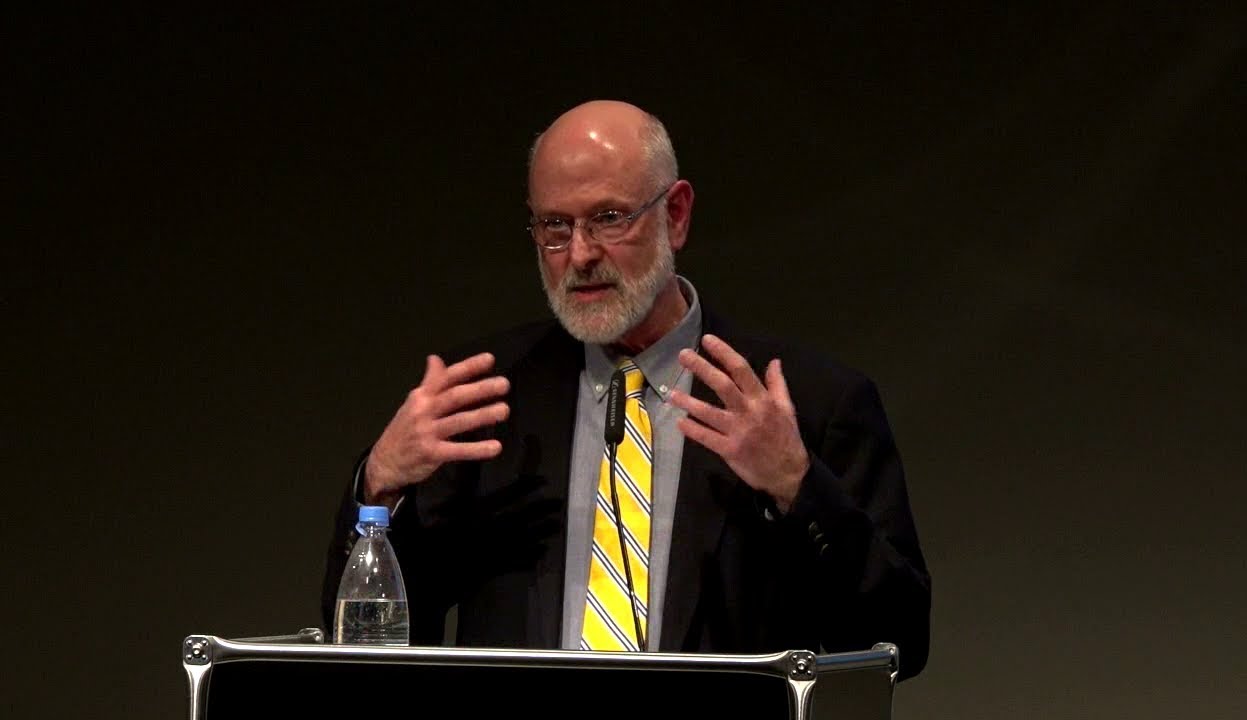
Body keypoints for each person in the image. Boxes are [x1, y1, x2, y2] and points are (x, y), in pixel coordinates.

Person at [321, 99, 931, 680]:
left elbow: (897, 644)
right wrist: (380, 484)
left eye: (608, 218)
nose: (580, 254)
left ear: (676, 214)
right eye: (555, 227)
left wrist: (800, 489)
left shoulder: (807, 402)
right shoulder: (484, 400)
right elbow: (370, 648)